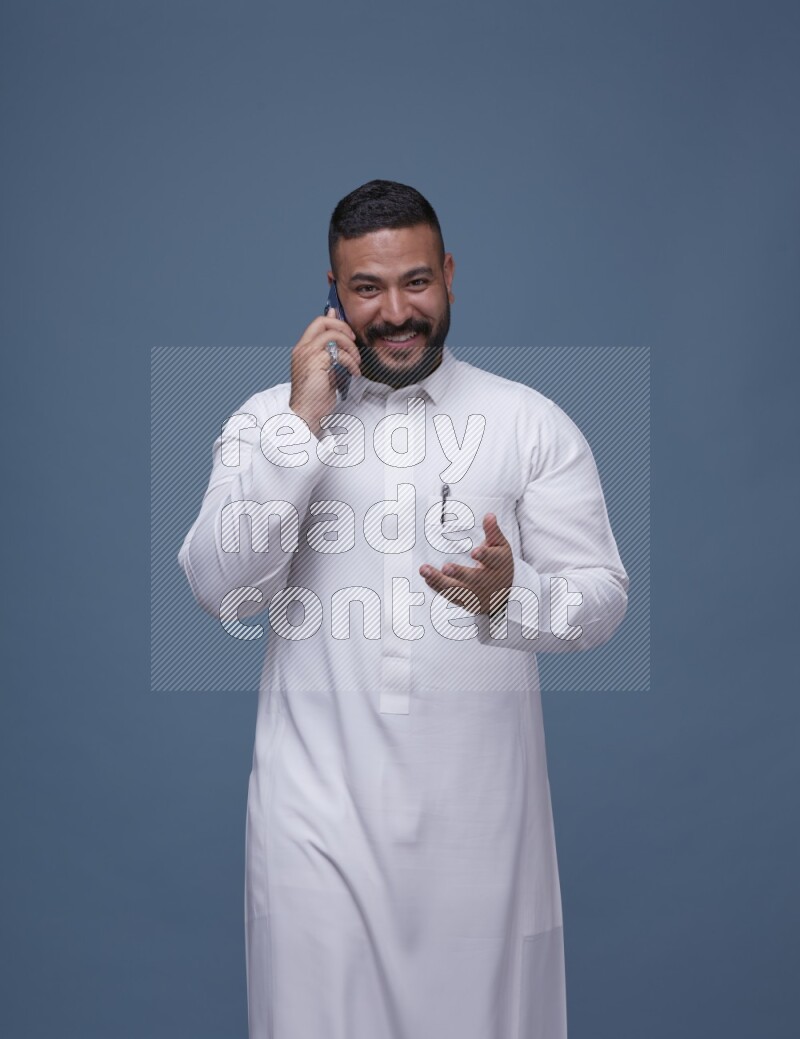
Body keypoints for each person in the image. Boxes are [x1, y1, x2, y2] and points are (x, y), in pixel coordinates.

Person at [178, 179, 628, 1038]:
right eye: (368, 288)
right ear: (333, 293)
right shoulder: (267, 420)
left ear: (449, 274)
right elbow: (218, 585)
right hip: (313, 824)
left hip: (482, 830)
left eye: (415, 282)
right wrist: (301, 425)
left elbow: (603, 598)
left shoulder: (527, 422)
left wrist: (514, 597)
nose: (395, 312)